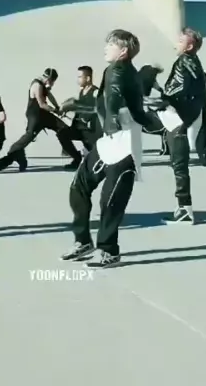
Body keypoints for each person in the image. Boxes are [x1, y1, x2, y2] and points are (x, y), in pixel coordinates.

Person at [61, 29, 156, 269]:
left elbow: (113, 97)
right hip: (109, 142)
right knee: (79, 187)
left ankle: (109, 251)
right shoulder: (116, 70)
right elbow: (104, 103)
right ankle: (83, 242)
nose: (105, 48)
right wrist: (78, 106)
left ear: (123, 51)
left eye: (110, 45)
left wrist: (113, 115)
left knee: (110, 201)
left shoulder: (118, 69)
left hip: (125, 145)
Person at [157, 27, 206, 224]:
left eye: (180, 41)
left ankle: (185, 210)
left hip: (177, 118)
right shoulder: (195, 62)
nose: (176, 44)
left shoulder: (183, 62)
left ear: (190, 46)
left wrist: (161, 100)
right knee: (180, 165)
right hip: (187, 117)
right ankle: (184, 208)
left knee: (179, 165)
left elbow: (177, 89)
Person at [0, 68, 81, 171]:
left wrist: (57, 107)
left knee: (63, 129)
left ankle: (77, 158)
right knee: (28, 136)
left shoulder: (44, 84)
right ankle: (13, 153)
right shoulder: (37, 86)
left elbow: (50, 96)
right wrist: (57, 111)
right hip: (35, 116)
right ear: (49, 79)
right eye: (53, 82)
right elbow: (42, 104)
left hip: (44, 115)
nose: (52, 84)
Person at [59, 65, 102, 162]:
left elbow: (97, 110)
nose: (77, 80)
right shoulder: (82, 92)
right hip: (80, 129)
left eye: (80, 77)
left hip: (90, 131)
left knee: (97, 157)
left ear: (88, 78)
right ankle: (77, 159)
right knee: (62, 133)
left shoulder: (95, 92)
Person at [138, 64, 168, 155]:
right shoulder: (143, 82)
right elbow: (144, 100)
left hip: (141, 111)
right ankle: (166, 148)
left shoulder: (142, 80)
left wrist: (162, 94)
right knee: (165, 126)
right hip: (141, 114)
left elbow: (158, 88)